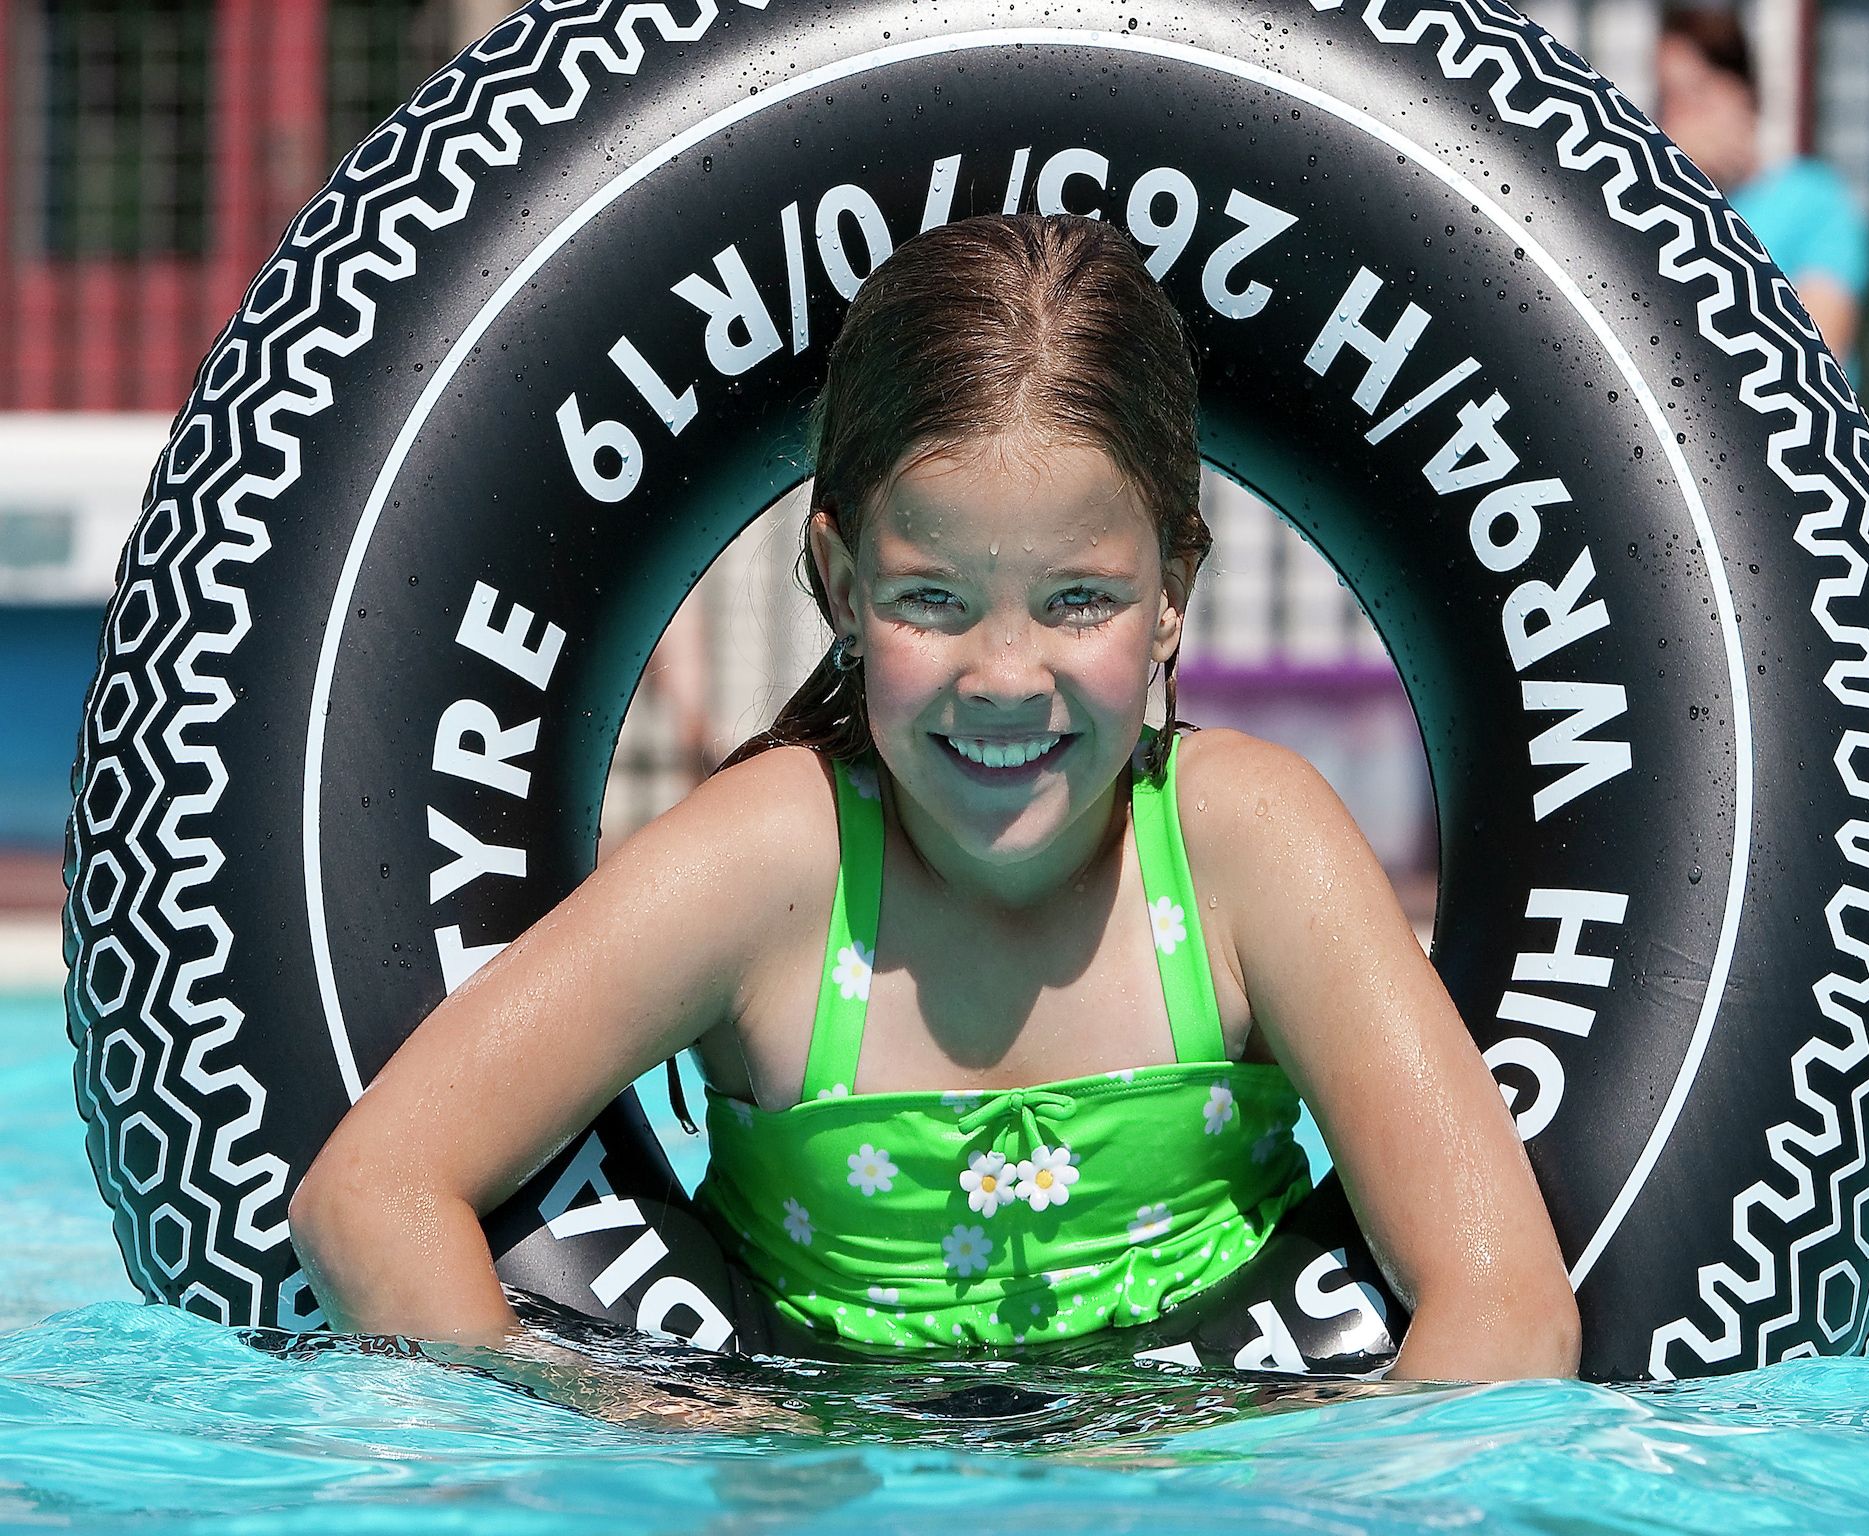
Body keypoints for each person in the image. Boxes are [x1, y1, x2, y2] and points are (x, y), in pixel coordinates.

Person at [288, 213, 1579, 1390]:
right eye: (932, 599)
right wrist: (611, 1423)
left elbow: (1502, 1300)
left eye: (1079, 599)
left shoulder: (1248, 851)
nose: (1005, 676)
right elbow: (377, 1191)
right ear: (842, 584)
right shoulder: (776, 868)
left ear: (1175, 581)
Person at [1655, 6, 1869, 366]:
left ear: (1746, 94)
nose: (1678, 122)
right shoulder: (1667, 205)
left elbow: (1819, 348)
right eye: (1668, 100)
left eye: (1696, 96)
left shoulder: (1813, 198)